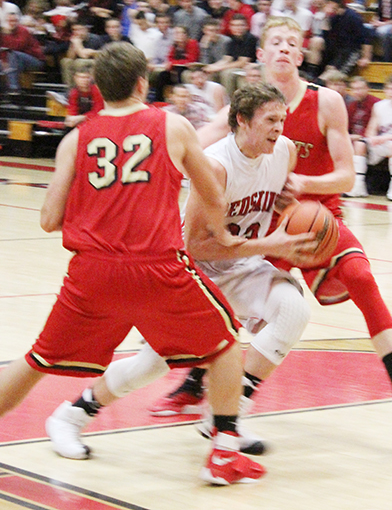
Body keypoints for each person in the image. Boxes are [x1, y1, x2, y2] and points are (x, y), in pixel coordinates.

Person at [0, 41, 265, 486]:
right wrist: (221, 232)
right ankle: (223, 452)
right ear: (143, 82)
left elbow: (48, 219)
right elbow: (212, 192)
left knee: (36, 361)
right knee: (223, 347)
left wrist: (98, 206)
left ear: (98, 88)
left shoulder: (75, 138)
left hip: (93, 272)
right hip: (156, 268)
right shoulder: (173, 126)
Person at [155, 17, 392, 434]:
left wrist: (304, 183)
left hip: (318, 217)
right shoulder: (244, 110)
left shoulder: (326, 102)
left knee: (360, 275)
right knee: (243, 303)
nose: (284, 48)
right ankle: (202, 384)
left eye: (292, 42)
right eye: (276, 42)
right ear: (261, 55)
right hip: (268, 226)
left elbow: (346, 177)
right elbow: (193, 141)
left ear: (301, 56)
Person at [45, 81, 315, 458]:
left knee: (294, 311)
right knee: (150, 366)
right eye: (270, 120)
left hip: (244, 263)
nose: (279, 128)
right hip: (199, 272)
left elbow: (272, 198)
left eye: (282, 120)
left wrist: (288, 204)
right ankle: (70, 416)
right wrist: (270, 246)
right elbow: (195, 244)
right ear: (242, 120)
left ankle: (227, 417)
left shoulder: (284, 151)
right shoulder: (217, 165)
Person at [348, 74, 392, 201]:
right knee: (360, 144)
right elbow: (371, 129)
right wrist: (372, 138)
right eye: (390, 89)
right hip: (385, 141)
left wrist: (385, 138)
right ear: (385, 90)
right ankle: (358, 186)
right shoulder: (379, 106)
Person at [345, 76, 380, 191]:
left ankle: (357, 185)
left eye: (360, 88)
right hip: (354, 138)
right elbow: (347, 126)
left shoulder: (376, 104)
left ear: (367, 88)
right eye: (354, 89)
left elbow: (376, 128)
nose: (357, 92)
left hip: (371, 139)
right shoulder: (352, 105)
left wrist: (359, 136)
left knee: (359, 144)